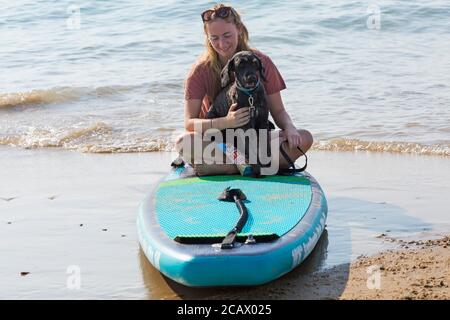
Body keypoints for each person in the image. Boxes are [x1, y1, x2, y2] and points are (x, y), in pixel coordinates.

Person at [176, 4, 313, 176]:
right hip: (219, 142)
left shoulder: (260, 62)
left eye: (227, 35)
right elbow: (190, 124)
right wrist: (225, 122)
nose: (222, 44)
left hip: (256, 141)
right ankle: (253, 165)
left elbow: (278, 111)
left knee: (304, 138)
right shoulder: (200, 70)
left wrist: (290, 127)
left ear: (239, 29)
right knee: (184, 141)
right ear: (207, 38)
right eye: (214, 38)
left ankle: (228, 167)